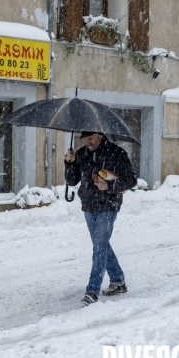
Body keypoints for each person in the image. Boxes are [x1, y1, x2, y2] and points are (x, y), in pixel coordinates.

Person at [64, 131, 137, 306]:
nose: (87, 141)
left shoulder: (117, 153)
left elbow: (131, 180)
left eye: (91, 138)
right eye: (86, 138)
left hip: (108, 204)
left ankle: (92, 290)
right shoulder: (81, 153)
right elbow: (72, 181)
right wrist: (69, 163)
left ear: (101, 135)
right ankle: (118, 281)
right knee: (101, 244)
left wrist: (109, 185)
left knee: (99, 247)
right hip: (88, 205)